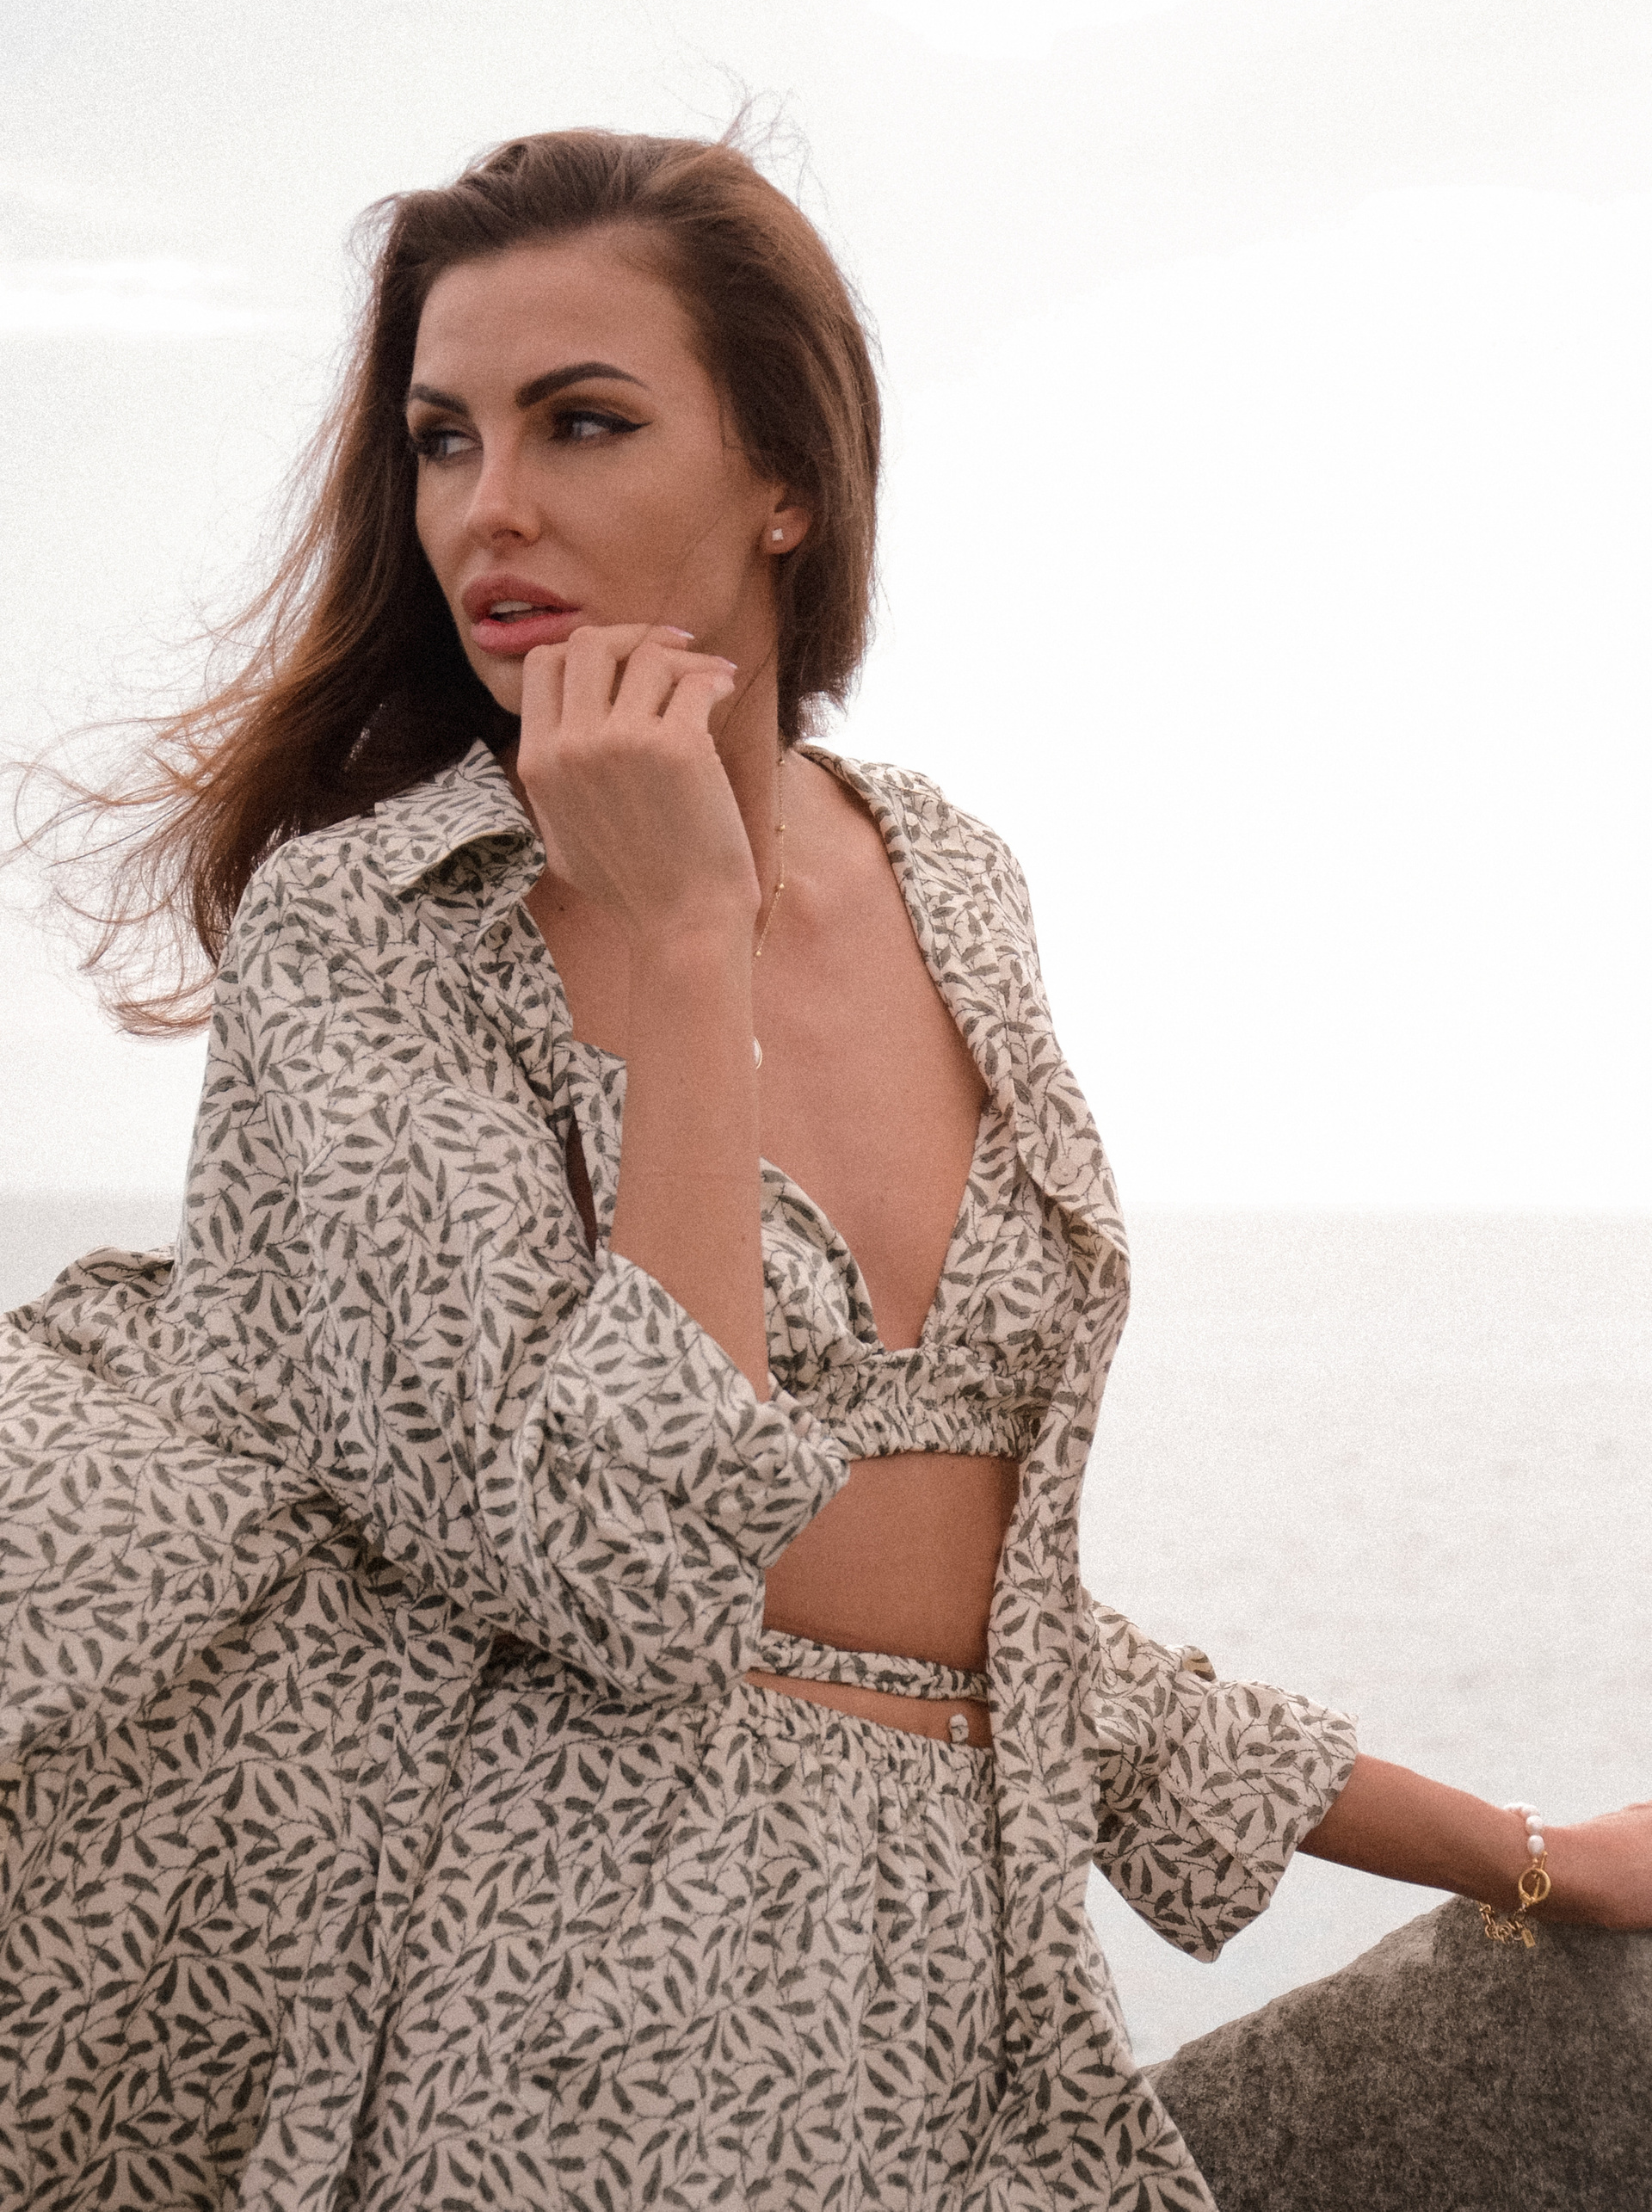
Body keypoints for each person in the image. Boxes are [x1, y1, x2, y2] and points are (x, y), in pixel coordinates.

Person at [1, 126, 1646, 2212]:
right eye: (441, 438)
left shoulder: (946, 876)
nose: (490, 506)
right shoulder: (373, 933)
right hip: (566, 2024)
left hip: (960, 2009)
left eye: (582, 421)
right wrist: (691, 945)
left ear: (785, 478)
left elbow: (978, 1621)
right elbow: (631, 1573)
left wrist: (1523, 1853)